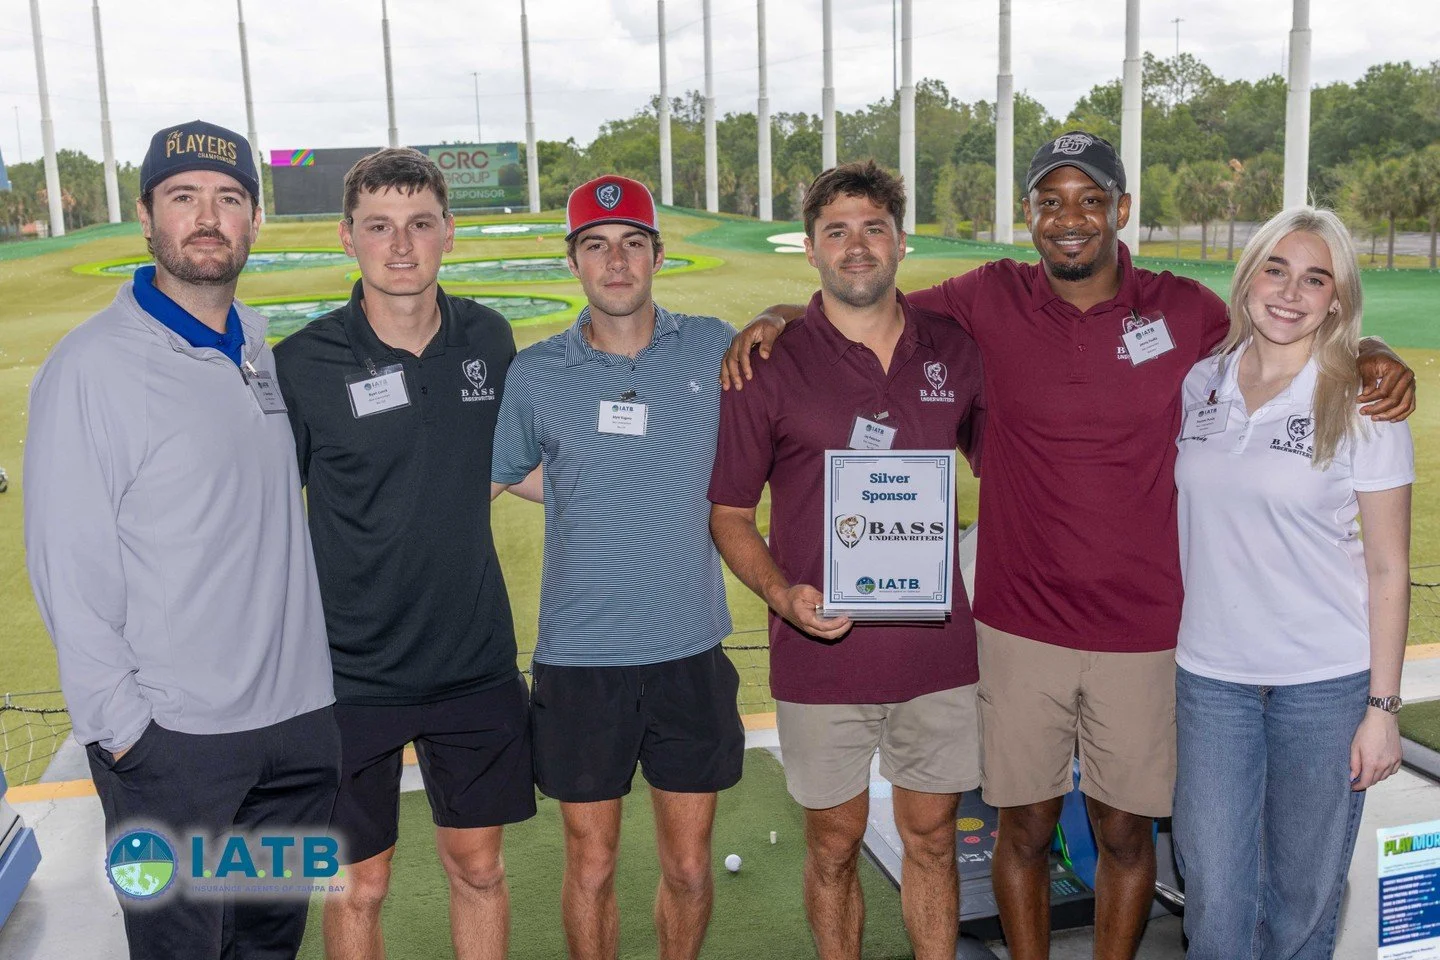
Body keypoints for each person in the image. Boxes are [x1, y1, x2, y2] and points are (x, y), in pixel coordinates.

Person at [722, 133, 1415, 960]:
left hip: (1149, 632)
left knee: (1128, 833)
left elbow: (1287, 324)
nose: (1071, 218)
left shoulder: (1184, 311)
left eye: (1092, 200)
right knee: (1025, 828)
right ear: (1030, 217)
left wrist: (1371, 353)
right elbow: (869, 301)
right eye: (1051, 201)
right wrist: (780, 318)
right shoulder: (987, 296)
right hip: (1018, 626)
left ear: (1122, 211)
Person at [23, 119, 338, 960]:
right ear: (146, 215)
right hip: (175, 747)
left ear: (254, 221)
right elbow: (67, 566)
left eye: (230, 198)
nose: (208, 217)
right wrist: (127, 735)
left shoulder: (260, 351)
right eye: (184, 197)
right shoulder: (92, 367)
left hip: (298, 734)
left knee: (268, 946)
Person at [708, 160, 983, 960]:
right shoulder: (766, 362)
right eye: (837, 232)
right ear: (811, 249)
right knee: (833, 845)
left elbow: (1008, 461)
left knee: (932, 840)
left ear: (901, 242)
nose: (855, 247)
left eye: (872, 229)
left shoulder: (957, 351)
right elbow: (728, 514)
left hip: (938, 655)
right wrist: (781, 593)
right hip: (819, 654)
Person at [272, 148, 539, 960]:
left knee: (480, 870)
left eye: (419, 224)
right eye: (379, 226)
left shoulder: (488, 339)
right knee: (360, 884)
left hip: (474, 658)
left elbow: (516, 466)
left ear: (448, 235)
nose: (400, 245)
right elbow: (265, 514)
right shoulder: (302, 364)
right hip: (348, 675)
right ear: (346, 237)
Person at [491, 174, 745, 960]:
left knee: (691, 865)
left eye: (632, 243)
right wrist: (576, 489)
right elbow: (501, 474)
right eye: (596, 246)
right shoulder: (535, 374)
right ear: (575, 262)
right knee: (592, 866)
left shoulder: (712, 344)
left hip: (689, 650)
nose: (616, 261)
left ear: (657, 255)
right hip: (581, 659)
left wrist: (777, 316)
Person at [1172, 207, 1409, 958]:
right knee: (1213, 890)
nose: (1290, 292)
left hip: (1325, 684)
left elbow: (1388, 567)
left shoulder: (1365, 400)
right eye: (1276, 269)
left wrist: (1382, 708)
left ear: (1336, 299)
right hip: (1212, 681)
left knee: (1303, 897)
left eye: (1315, 279)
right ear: (1248, 280)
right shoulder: (1201, 383)